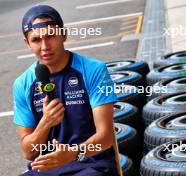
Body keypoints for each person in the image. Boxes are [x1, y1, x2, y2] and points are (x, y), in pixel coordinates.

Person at [13, 5, 119, 176]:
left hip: (90, 164)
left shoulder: (93, 70)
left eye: (51, 36)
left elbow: (106, 137)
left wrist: (72, 154)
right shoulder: (22, 84)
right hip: (47, 168)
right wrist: (46, 122)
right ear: (27, 43)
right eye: (36, 40)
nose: (45, 46)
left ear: (64, 34)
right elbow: (29, 152)